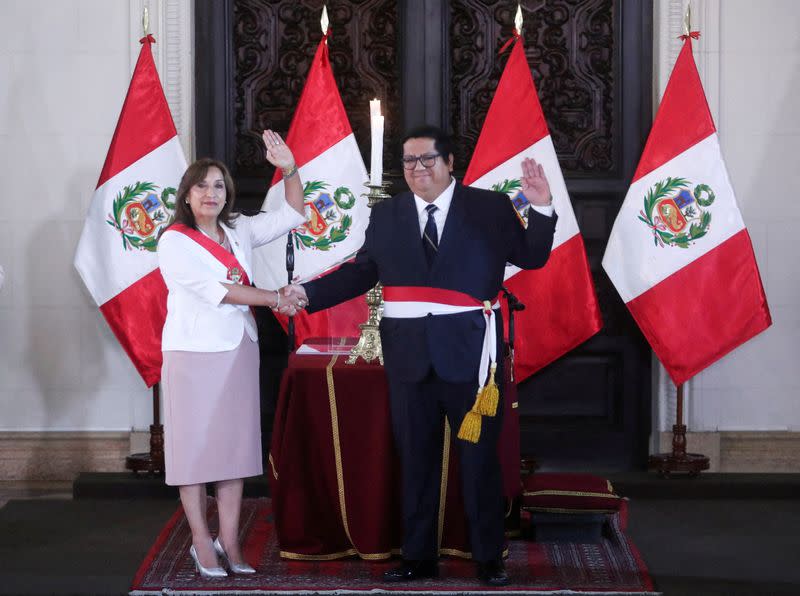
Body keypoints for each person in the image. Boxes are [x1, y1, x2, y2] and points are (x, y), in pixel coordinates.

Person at [284, 126, 556, 586]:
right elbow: (362, 272)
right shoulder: (388, 214)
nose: (418, 170)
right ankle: (418, 556)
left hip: (471, 357)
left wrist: (542, 205)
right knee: (415, 460)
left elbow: (532, 257)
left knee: (479, 461)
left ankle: (488, 557)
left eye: (427, 160)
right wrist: (305, 293)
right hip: (409, 357)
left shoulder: (489, 207)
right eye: (409, 162)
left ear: (450, 163)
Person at [157, 130, 307, 578]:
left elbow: (293, 213)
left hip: (239, 350)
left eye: (218, 185)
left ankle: (231, 541)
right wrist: (277, 297)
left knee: (234, 449)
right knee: (194, 451)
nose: (211, 193)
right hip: (192, 353)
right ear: (187, 194)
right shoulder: (174, 242)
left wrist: (291, 168)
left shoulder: (238, 228)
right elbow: (219, 292)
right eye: (201, 185)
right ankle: (201, 542)